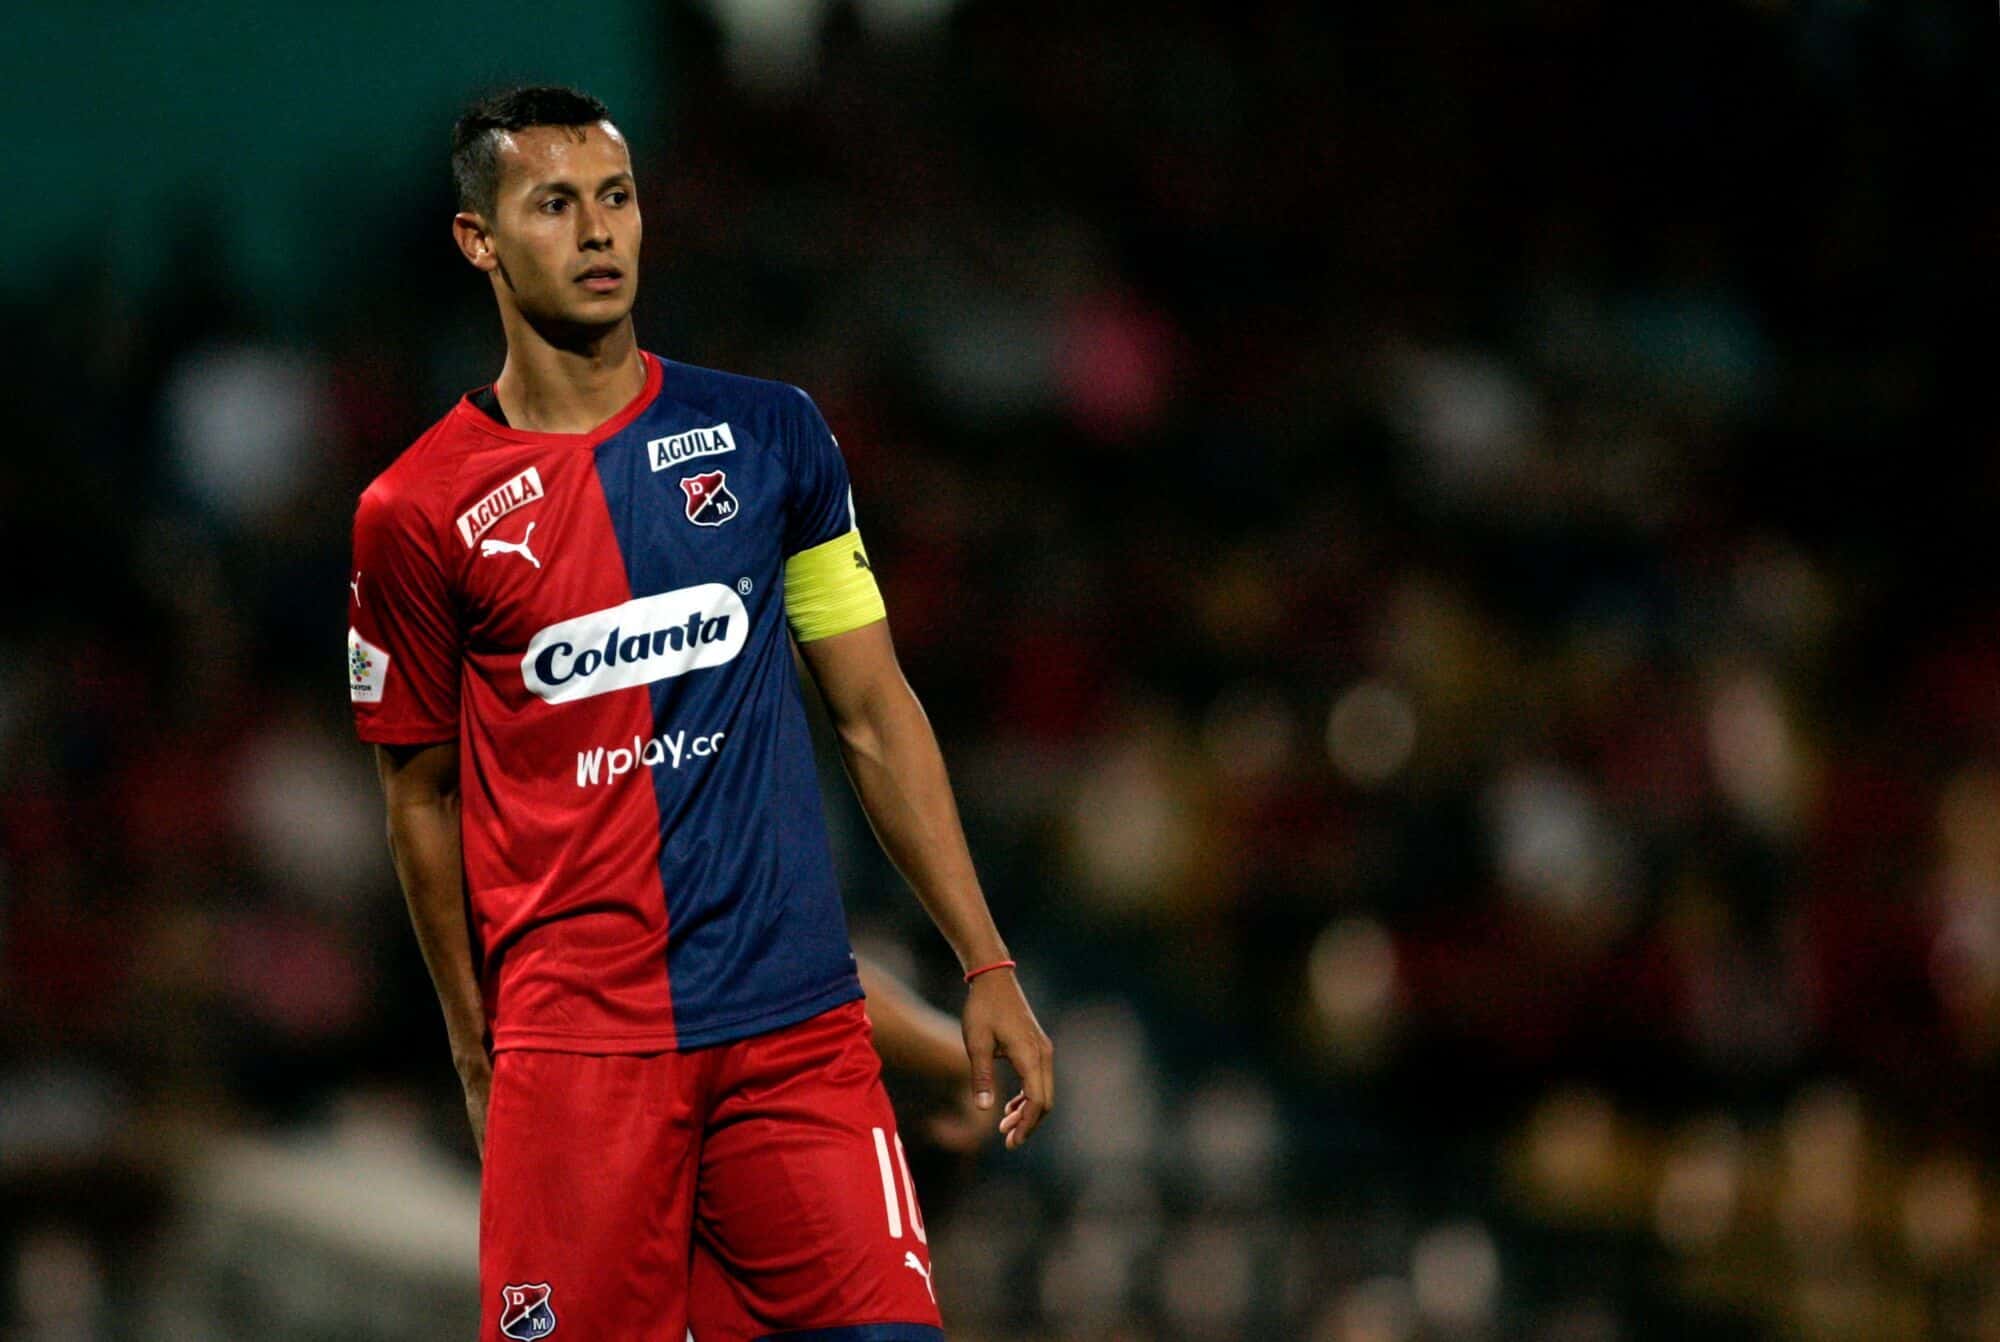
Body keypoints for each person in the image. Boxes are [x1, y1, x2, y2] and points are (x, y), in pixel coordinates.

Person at [347, 85, 1052, 1342]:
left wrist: (982, 959)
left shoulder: (769, 434)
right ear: (480, 241)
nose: (596, 231)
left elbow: (874, 707)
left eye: (614, 197)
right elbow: (419, 799)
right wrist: (477, 1052)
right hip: (576, 1065)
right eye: (552, 205)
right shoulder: (414, 512)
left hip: (796, 1038)